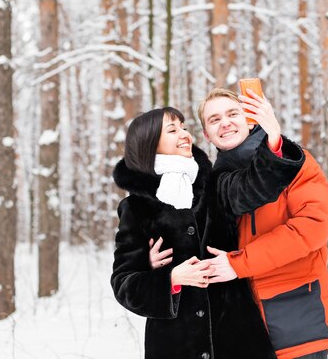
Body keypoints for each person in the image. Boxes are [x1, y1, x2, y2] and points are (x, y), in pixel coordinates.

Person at [111, 106, 305, 359]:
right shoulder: (135, 208)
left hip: (237, 337)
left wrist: (274, 138)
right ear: (150, 144)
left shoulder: (214, 184)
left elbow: (259, 187)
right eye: (172, 130)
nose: (184, 134)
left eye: (183, 127)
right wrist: (170, 278)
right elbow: (124, 284)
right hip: (175, 345)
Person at [199, 88, 328, 359]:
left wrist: (238, 263)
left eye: (232, 114)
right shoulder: (212, 183)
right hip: (243, 332)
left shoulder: (292, 161)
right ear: (207, 134)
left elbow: (311, 229)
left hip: (296, 319)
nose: (225, 122)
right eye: (214, 119)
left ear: (250, 119)